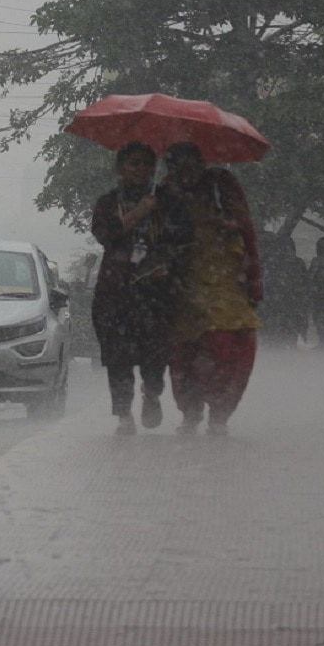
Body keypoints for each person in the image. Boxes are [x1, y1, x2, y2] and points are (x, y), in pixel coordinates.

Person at [90, 141, 193, 435]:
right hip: (116, 292)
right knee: (117, 356)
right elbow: (105, 235)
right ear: (120, 169)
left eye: (147, 164)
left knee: (156, 353)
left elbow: (185, 235)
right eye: (134, 164)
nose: (141, 170)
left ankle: (152, 392)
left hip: (157, 292)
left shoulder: (167, 200)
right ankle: (123, 414)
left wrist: (166, 257)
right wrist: (138, 213)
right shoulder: (108, 202)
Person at [163, 142, 263, 435]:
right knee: (184, 355)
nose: (184, 174)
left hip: (227, 285)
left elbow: (247, 231)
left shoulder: (222, 185)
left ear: (201, 164)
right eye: (176, 168)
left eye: (189, 167)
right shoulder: (166, 191)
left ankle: (220, 413)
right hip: (185, 286)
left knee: (228, 349)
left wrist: (255, 283)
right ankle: (190, 413)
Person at [256, 231, 308, 349]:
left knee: (274, 342)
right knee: (282, 342)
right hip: (285, 310)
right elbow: (304, 289)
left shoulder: (267, 264)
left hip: (279, 310)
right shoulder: (295, 264)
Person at [308, 236, 324, 348]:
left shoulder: (317, 260)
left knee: (321, 319)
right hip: (321, 293)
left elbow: (310, 278)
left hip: (321, 294)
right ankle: (323, 342)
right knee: (321, 319)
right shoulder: (317, 260)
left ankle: (323, 342)